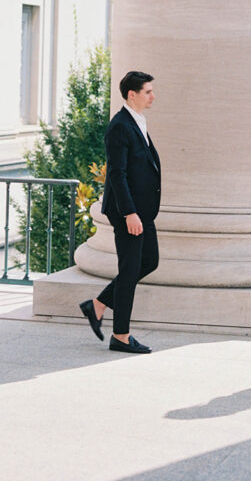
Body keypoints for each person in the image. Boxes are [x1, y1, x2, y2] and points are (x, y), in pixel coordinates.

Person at [79, 70, 161, 354]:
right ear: (132, 95)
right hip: (129, 212)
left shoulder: (136, 121)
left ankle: (98, 305)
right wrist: (129, 213)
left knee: (149, 261)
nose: (153, 96)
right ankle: (121, 335)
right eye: (148, 91)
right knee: (129, 270)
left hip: (142, 210)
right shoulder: (120, 126)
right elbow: (117, 173)